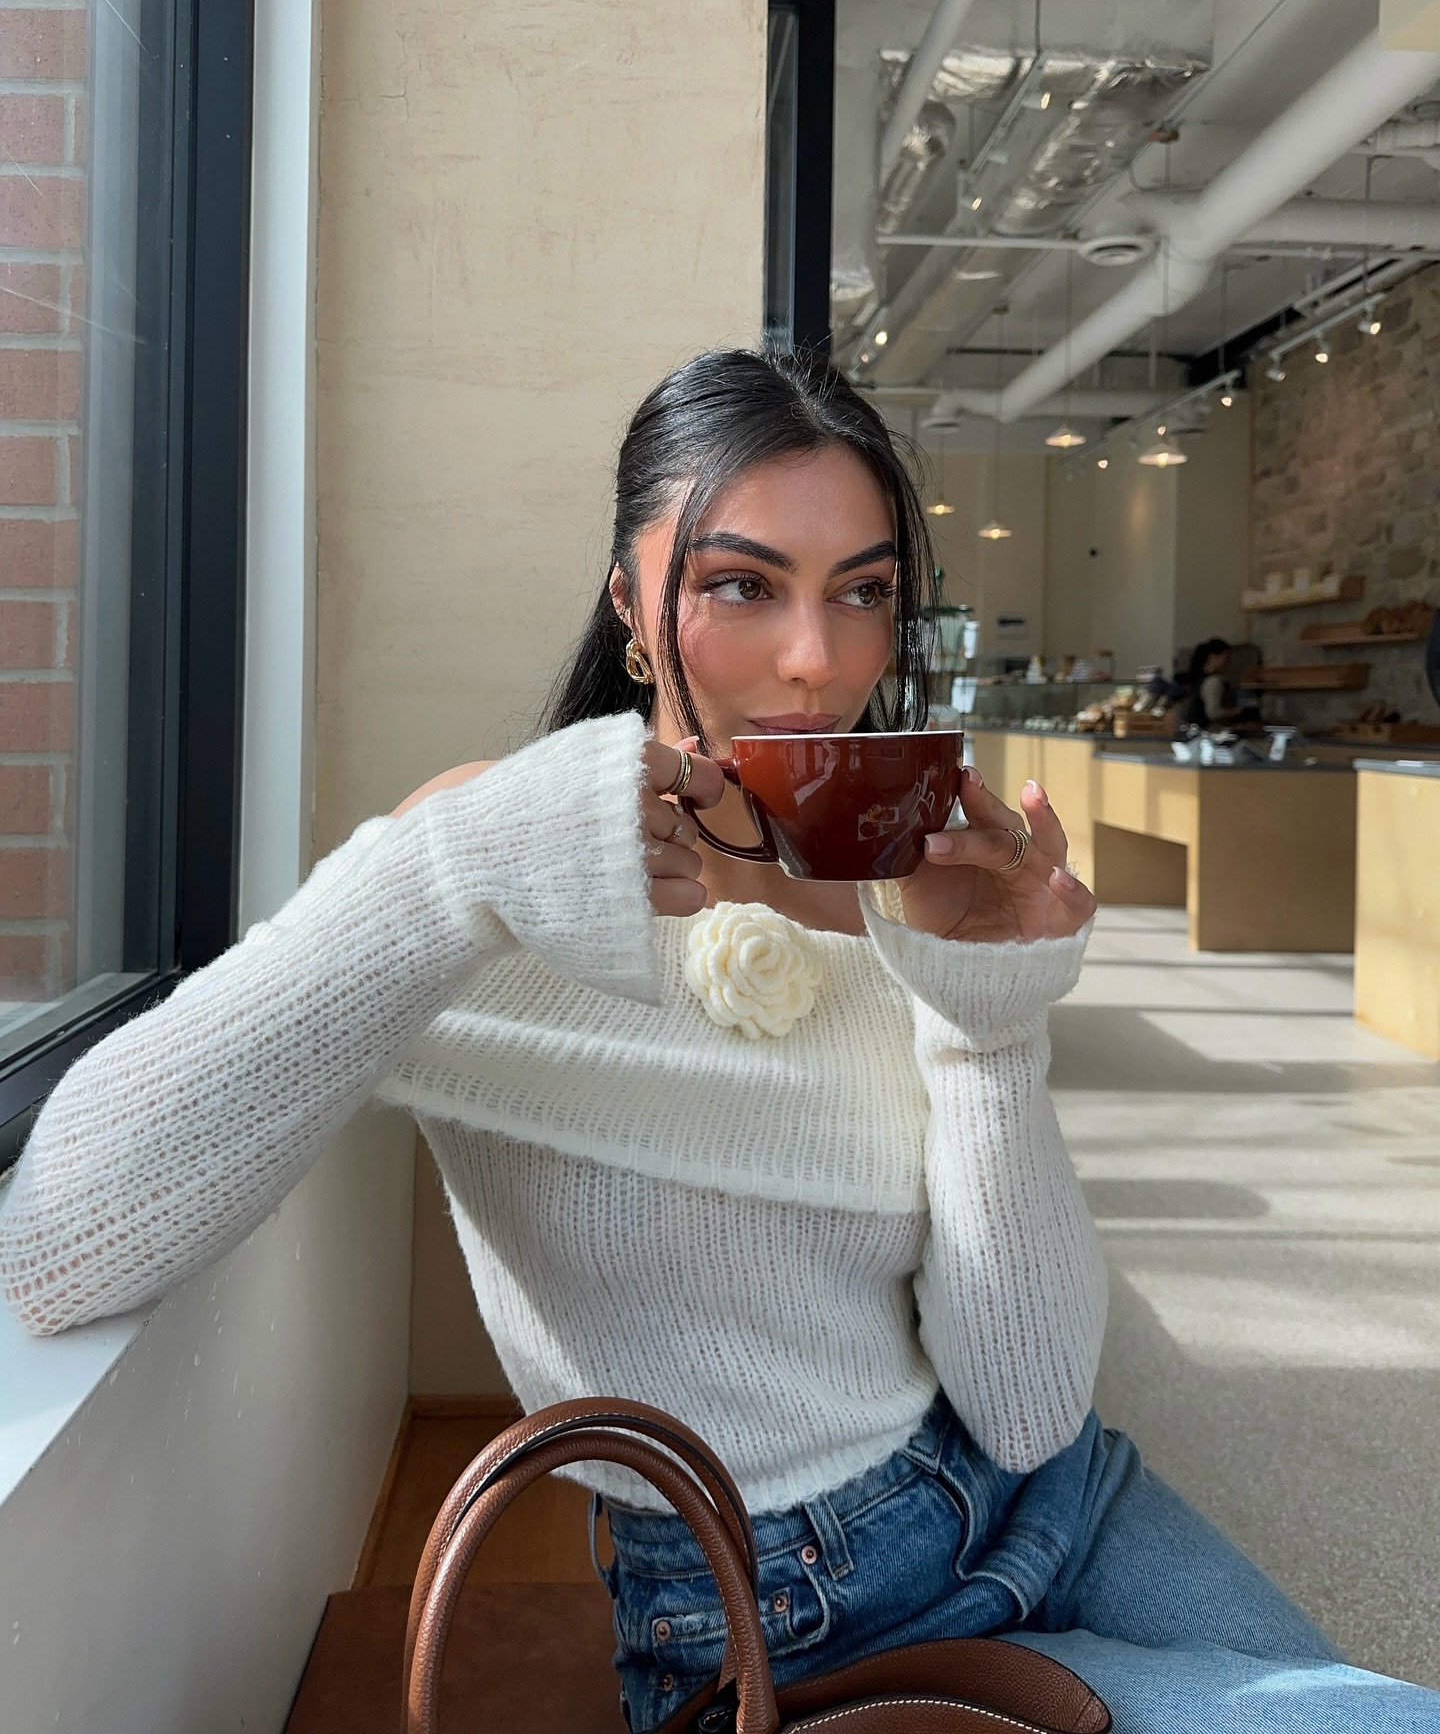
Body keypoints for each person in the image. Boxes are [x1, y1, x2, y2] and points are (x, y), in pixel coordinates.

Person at [0, 350, 1435, 1734]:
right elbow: (63, 1239)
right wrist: (445, 873)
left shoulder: (895, 870)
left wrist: (987, 1021)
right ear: (628, 597)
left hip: (1052, 1494)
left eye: (861, 595)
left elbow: (1029, 1401)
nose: (817, 662)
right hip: (780, 1619)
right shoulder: (489, 866)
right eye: (743, 584)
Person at [1180, 637, 1234, 730]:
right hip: (1210, 730)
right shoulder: (1214, 681)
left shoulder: (1196, 679)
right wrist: (1239, 711)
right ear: (1212, 657)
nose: (1227, 663)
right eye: (1225, 658)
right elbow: (1213, 713)